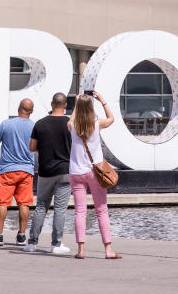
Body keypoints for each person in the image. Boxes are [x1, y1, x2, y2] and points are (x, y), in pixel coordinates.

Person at [68, 91, 121, 260]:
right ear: (91, 108)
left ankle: (81, 250)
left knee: (80, 212)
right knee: (101, 210)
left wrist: (77, 104)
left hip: (76, 172)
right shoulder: (97, 123)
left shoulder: (72, 126)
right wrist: (102, 100)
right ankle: (108, 250)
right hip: (95, 172)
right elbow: (112, 118)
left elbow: (71, 119)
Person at [25, 92, 72, 254]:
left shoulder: (40, 124)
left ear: (52, 104)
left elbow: (32, 147)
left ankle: (31, 243)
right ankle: (56, 244)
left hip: (45, 170)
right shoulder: (70, 124)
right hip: (65, 170)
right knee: (60, 209)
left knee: (41, 206)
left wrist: (45, 149)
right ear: (65, 105)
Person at [0, 98, 36, 246]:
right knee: (24, 203)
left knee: (2, 203)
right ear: (31, 111)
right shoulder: (35, 127)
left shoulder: (6, 124)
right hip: (27, 170)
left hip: (7, 170)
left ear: (18, 109)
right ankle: (21, 236)